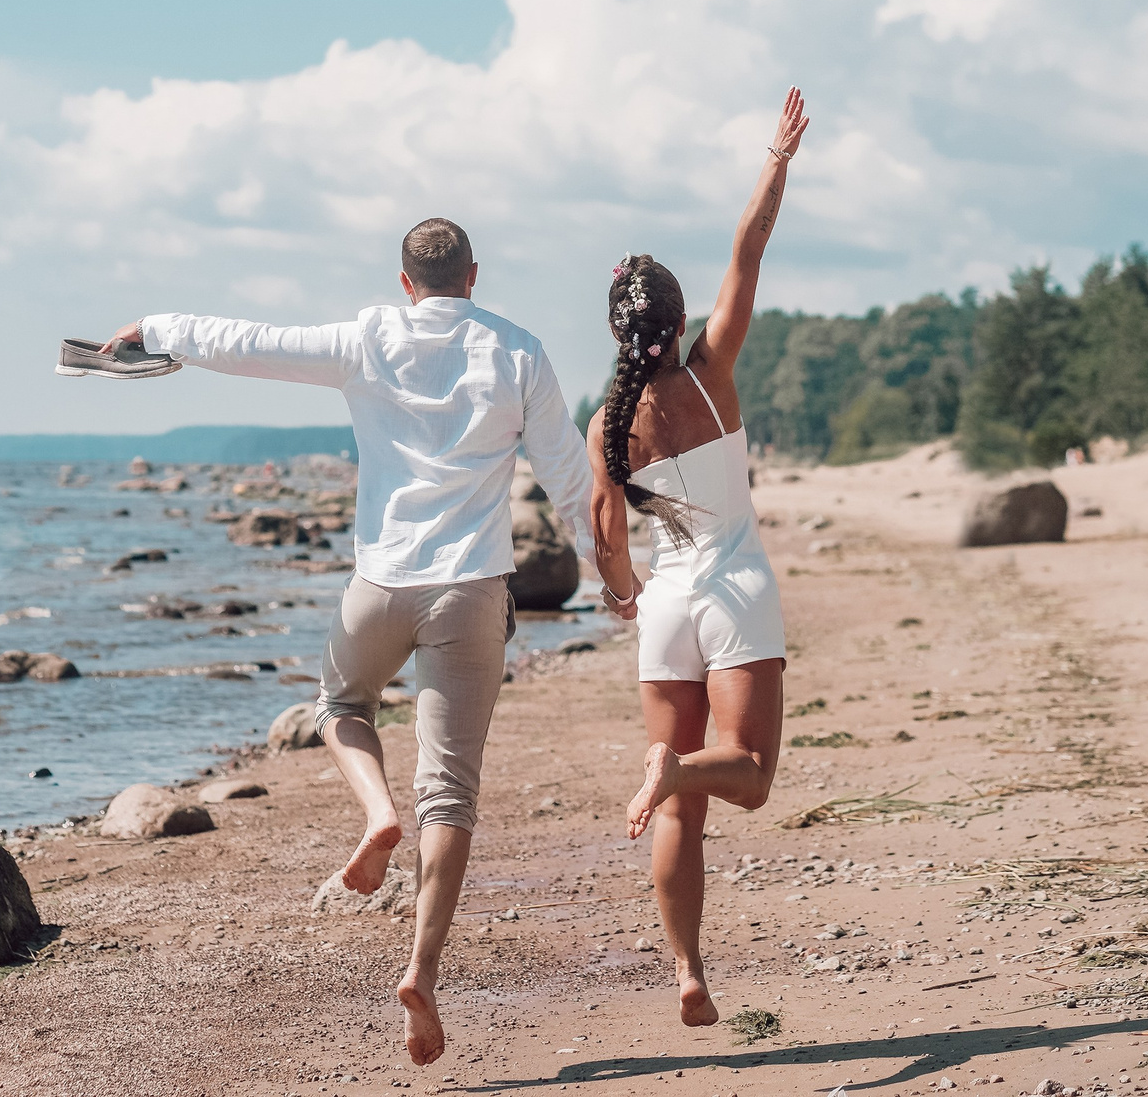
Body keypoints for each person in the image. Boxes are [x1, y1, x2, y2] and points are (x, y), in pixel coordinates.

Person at [102, 217, 597, 1067]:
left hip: (382, 586)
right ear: (472, 276)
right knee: (452, 795)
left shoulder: (370, 338)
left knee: (340, 704)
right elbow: (568, 477)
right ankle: (422, 972)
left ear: (405, 282)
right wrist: (609, 575)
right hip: (470, 590)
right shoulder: (519, 351)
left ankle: (376, 813)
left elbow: (253, 343)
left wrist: (158, 328)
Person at [588, 86, 809, 1028]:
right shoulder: (711, 370)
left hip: (669, 605)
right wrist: (776, 161)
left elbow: (605, 535)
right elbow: (747, 249)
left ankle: (688, 970)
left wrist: (626, 595)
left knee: (681, 816)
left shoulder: (608, 422)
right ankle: (674, 769)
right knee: (747, 775)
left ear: (617, 333)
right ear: (676, 325)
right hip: (735, 588)